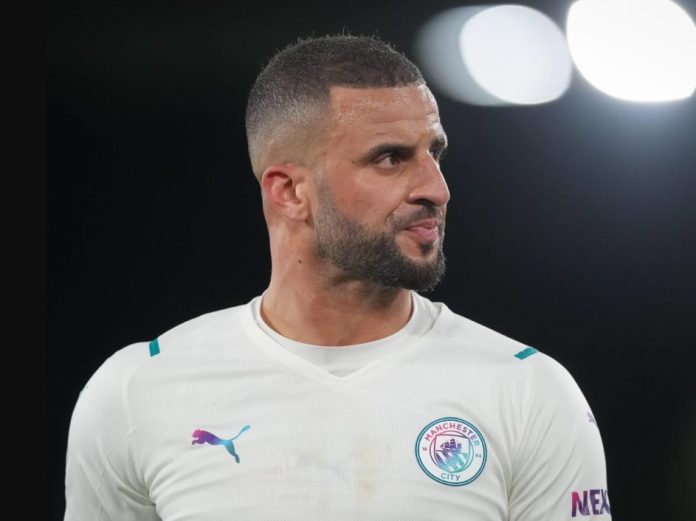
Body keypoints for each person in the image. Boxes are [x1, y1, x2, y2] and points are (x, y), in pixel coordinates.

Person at [64, 35, 611, 520]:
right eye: (391, 158)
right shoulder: (138, 390)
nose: (436, 189)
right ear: (289, 192)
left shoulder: (528, 392)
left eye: (435, 153)